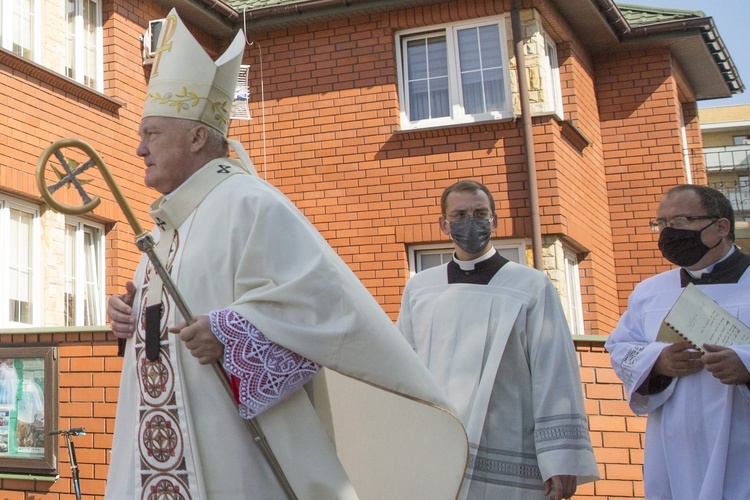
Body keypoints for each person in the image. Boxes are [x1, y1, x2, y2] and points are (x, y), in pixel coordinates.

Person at [105, 9, 467, 499]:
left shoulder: (250, 203)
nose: (138, 150)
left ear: (195, 137)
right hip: (157, 450)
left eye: (150, 134)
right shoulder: (163, 230)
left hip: (232, 451)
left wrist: (232, 334)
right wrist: (128, 324)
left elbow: (322, 305)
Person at [396, 180, 599, 500]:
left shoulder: (531, 285)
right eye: (460, 214)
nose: (471, 221)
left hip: (510, 442)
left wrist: (560, 457)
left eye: (480, 213)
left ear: (495, 220)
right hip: (439, 444)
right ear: (444, 224)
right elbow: (403, 367)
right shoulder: (421, 288)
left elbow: (554, 370)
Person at [606, 184, 750, 499]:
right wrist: (657, 362)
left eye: (680, 222)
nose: (668, 233)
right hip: (674, 446)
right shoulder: (649, 292)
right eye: (661, 224)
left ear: (721, 227)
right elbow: (620, 349)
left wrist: (747, 365)